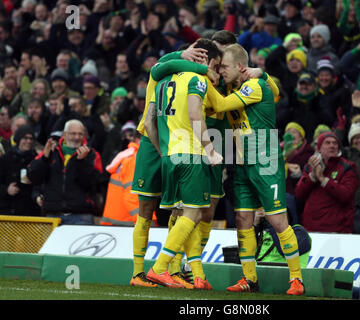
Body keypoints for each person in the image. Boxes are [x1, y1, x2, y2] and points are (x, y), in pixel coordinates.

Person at [212, 43, 304, 296]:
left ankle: (296, 278)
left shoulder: (253, 86)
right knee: (243, 221)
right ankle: (249, 279)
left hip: (266, 161)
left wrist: (262, 75)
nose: (221, 72)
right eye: (219, 68)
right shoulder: (235, 84)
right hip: (242, 163)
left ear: (241, 67)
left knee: (277, 220)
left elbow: (220, 106)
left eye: (225, 67)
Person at [128, 41, 219, 289]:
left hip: (171, 146)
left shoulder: (183, 76)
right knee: (147, 211)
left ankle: (174, 270)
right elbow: (156, 70)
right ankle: (139, 273)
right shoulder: (166, 71)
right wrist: (185, 57)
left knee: (180, 208)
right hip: (153, 142)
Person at [27, 119, 103, 225]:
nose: (77, 137)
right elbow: (32, 176)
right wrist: (44, 158)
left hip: (81, 215)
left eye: (80, 134)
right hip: (52, 214)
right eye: (73, 134)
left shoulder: (92, 154)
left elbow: (94, 184)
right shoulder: (51, 151)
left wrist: (81, 163)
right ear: (64, 134)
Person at [295, 131, 359, 233]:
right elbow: (299, 193)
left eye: (335, 143)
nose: (332, 146)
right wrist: (312, 176)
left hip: (338, 229)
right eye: (327, 143)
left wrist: (323, 180)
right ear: (319, 148)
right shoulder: (310, 166)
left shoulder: (348, 167)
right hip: (311, 228)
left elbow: (346, 195)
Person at [100, 131, 140, 226]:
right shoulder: (134, 159)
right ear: (139, 140)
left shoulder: (127, 155)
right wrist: (145, 222)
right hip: (128, 223)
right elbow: (132, 196)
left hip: (118, 222)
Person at [0, 125, 41, 216]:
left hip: (30, 210)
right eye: (25, 138)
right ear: (18, 139)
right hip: (8, 210)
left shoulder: (36, 158)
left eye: (31, 139)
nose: (28, 141)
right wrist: (6, 190)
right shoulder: (5, 159)